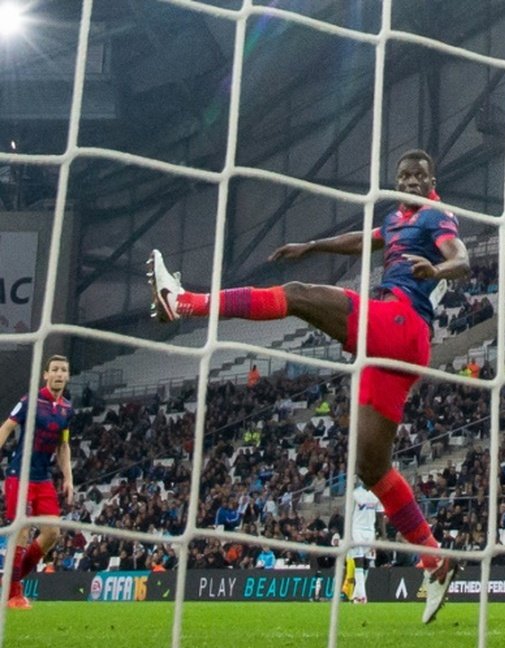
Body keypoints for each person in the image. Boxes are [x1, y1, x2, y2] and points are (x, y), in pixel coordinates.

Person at [148, 149, 470, 624]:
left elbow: (460, 258)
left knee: (298, 295)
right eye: (404, 175)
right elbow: (365, 240)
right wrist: (314, 246)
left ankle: (185, 302)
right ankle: (435, 559)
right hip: (395, 350)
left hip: (401, 321)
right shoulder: (398, 217)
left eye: (419, 175)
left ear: (432, 179)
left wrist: (438, 271)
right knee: (370, 465)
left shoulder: (438, 215)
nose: (411, 181)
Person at [0, 355, 74, 609]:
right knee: (22, 529)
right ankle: (13, 594)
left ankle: (9, 581)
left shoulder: (67, 408)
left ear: (67, 376)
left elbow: (63, 445)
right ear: (46, 374)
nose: (59, 374)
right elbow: (6, 428)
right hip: (19, 474)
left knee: (52, 533)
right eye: (54, 369)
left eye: (63, 370)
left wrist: (68, 477)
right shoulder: (30, 400)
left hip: (43, 478)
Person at [348, 481, 384, 604]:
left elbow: (380, 515)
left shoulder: (377, 495)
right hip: (356, 529)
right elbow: (348, 514)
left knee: (367, 562)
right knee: (359, 559)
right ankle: (362, 596)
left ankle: (357, 595)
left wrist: (382, 535)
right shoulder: (355, 494)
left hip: (370, 531)